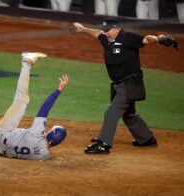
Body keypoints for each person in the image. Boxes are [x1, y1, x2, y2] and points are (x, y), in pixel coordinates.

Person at [73, 18, 178, 154]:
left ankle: (103, 144)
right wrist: (83, 29)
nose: (105, 33)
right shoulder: (106, 39)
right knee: (128, 113)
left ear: (117, 28)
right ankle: (146, 138)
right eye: (104, 30)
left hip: (129, 83)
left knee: (112, 113)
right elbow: (97, 33)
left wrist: (158, 39)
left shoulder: (127, 37)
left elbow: (146, 40)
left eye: (108, 30)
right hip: (118, 84)